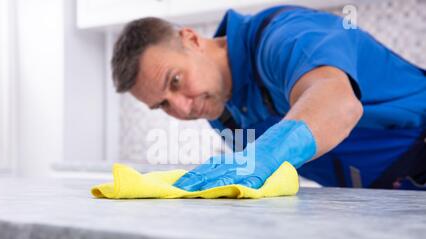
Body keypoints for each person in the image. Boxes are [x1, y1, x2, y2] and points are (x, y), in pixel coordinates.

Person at [111, 5, 426, 191]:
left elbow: (338, 104)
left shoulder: (284, 36)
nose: (182, 107)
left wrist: (265, 155)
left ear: (192, 39)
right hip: (383, 200)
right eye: (163, 104)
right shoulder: (221, 114)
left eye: (175, 81)